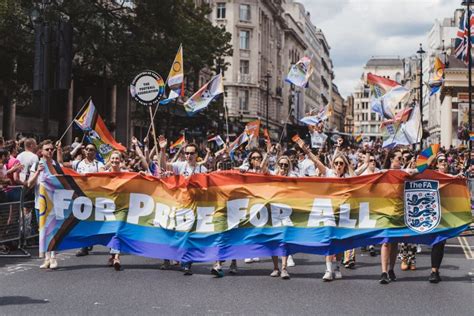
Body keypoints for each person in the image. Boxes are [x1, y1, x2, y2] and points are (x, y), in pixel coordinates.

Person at [297, 138, 354, 281]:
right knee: (329, 240)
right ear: (333, 165)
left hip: (343, 212)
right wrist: (307, 151)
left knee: (340, 242)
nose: (338, 166)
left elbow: (357, 179)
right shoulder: (329, 173)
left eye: (341, 163)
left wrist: (348, 165)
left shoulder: (349, 177)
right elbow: (317, 162)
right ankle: (328, 270)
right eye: (336, 163)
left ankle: (337, 267)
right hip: (329, 212)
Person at [162, 139, 208, 275]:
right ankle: (178, 259)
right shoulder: (180, 165)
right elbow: (164, 165)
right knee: (180, 232)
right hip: (180, 204)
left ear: (197, 154)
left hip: (196, 206)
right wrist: (163, 150)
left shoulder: (202, 169)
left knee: (191, 235)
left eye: (191, 153)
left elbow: (206, 188)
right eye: (186, 153)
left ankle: (186, 262)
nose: (188, 156)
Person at [60, 142, 105, 257]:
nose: (88, 151)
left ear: (95, 153)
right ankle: (84, 247)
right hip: (80, 197)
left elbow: (103, 177)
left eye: (91, 150)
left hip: (94, 196)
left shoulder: (98, 165)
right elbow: (61, 164)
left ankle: (91, 241)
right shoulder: (78, 163)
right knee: (82, 220)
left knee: (93, 221)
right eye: (87, 149)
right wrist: (59, 149)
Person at [26, 140, 59, 269]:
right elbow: (29, 184)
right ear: (41, 151)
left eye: (51, 149)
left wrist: (50, 165)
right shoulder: (36, 164)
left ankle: (53, 257)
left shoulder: (54, 164)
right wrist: (37, 172)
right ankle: (46, 258)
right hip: (39, 204)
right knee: (43, 231)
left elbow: (58, 180)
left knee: (53, 230)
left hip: (54, 203)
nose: (50, 151)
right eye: (47, 149)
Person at [269, 156, 295, 279]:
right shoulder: (272, 175)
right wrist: (268, 154)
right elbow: (262, 169)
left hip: (286, 213)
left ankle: (284, 268)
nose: (283, 167)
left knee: (284, 240)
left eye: (286, 165)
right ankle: (275, 268)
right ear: (277, 165)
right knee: (274, 241)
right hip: (273, 213)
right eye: (281, 164)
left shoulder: (293, 177)